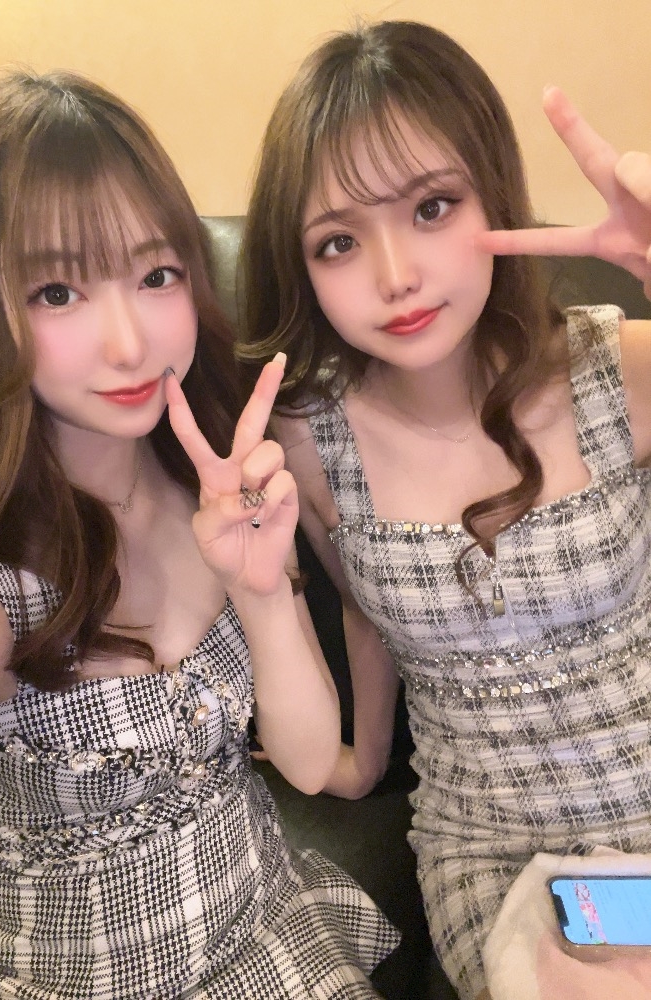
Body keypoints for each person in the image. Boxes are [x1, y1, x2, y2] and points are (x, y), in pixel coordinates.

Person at [0, 69, 401, 998]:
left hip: (263, 933)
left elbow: (303, 761)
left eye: (156, 274)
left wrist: (261, 588)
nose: (130, 343)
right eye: (57, 291)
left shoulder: (212, 479)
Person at [238, 19, 651, 1000]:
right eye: (340, 241)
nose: (396, 276)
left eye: (432, 207)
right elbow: (363, 611)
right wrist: (362, 759)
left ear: (493, 194)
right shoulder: (308, 438)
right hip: (498, 855)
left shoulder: (618, 369)